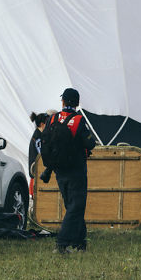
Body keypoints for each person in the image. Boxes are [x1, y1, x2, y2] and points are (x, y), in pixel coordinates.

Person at [47, 88, 92, 254]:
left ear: (63, 101)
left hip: (59, 170)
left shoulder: (52, 118)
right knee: (76, 206)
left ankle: (80, 243)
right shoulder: (79, 120)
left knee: (72, 206)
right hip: (76, 169)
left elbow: (46, 141)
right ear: (77, 103)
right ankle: (62, 243)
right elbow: (89, 143)